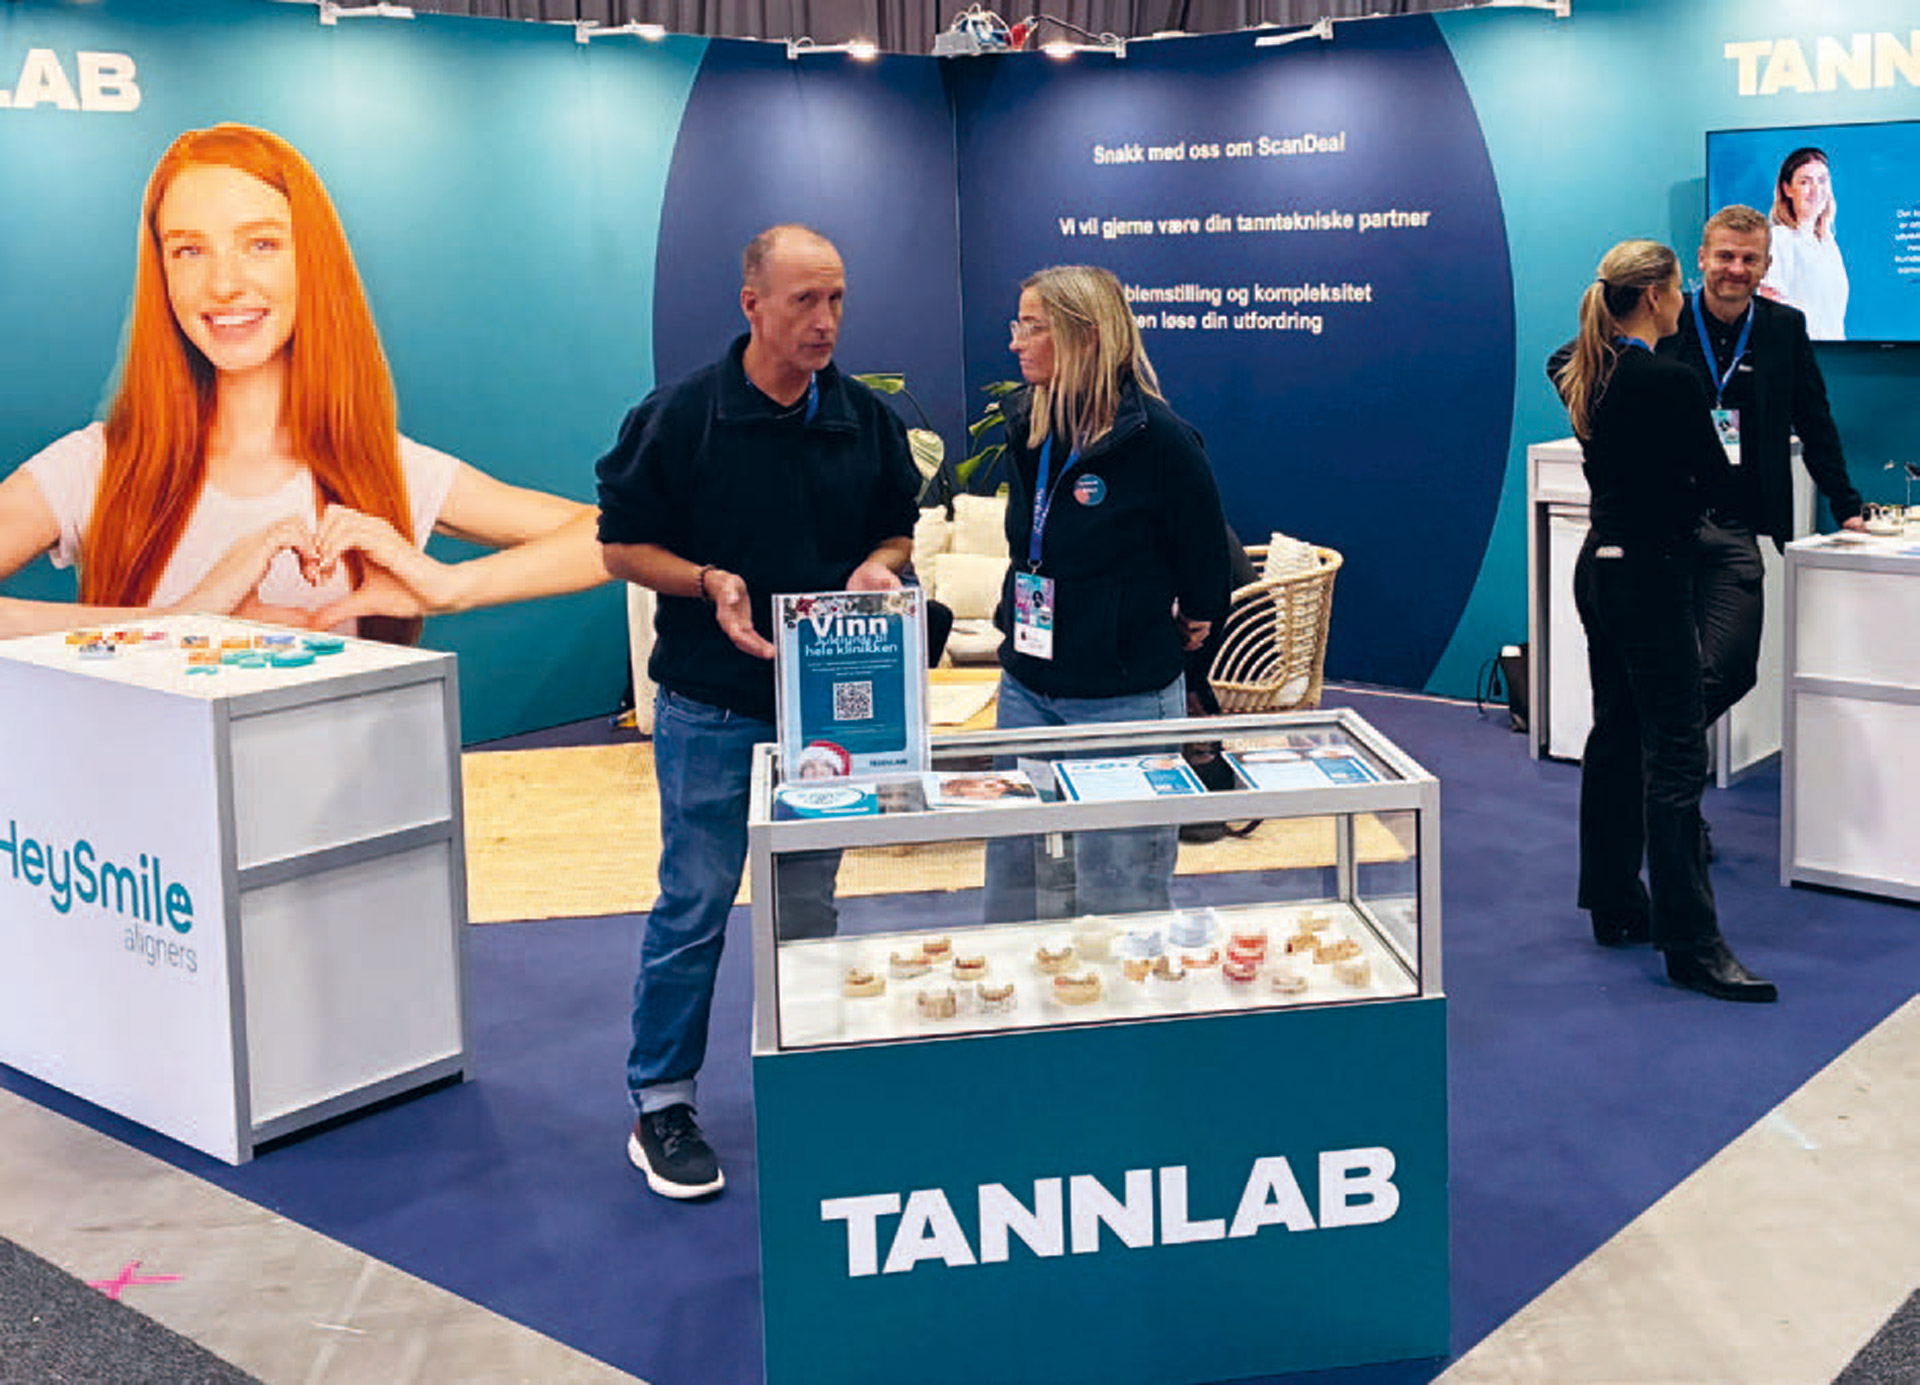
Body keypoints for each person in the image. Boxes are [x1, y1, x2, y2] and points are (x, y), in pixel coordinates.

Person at [595, 224, 920, 1200]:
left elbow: (897, 529)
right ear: (752, 305)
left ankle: (804, 1070)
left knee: (810, 903)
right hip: (711, 705)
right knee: (695, 905)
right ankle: (662, 1103)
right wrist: (708, 580)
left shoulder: (865, 419)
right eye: (803, 300)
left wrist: (879, 567)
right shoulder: (680, 417)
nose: (825, 320)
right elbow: (620, 547)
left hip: (828, 715)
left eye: (837, 299)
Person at [0, 124, 608, 640]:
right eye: (188, 251)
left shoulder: (386, 469)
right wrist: (181, 621)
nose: (224, 284)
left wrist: (451, 587)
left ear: (311, 259)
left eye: (260, 244)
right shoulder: (95, 466)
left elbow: (616, 536)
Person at [1553, 238, 1774, 1002]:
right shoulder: (1668, 381)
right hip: (1652, 574)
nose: (1684, 300)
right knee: (1676, 756)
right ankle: (1691, 943)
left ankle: (1614, 901)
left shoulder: (1585, 369)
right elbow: (1716, 481)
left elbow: (1567, 354)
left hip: (1601, 569)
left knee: (1615, 733)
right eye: (1677, 287)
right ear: (1653, 295)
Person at [982, 264, 1230, 924]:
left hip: (1124, 697)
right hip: (1027, 687)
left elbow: (1207, 568)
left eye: (1032, 327)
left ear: (1086, 336)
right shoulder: (1027, 426)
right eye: (1017, 325)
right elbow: (1029, 547)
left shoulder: (1161, 441)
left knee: (1121, 896)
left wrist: (1189, 620)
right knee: (1019, 884)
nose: (1015, 342)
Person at [1659, 205, 1863, 734]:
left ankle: (1652, 747)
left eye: (1750, 259)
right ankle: (1665, 775)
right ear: (1701, 258)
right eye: (1725, 256)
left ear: (1767, 265)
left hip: (1736, 523)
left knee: (1731, 669)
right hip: (1663, 524)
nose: (1736, 268)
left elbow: (1814, 420)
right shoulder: (1666, 320)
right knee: (1659, 665)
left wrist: (1847, 505)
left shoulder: (1783, 327)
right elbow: (1579, 365)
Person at [1760, 148, 1848, 341]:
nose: (1816, 191)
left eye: (1822, 180)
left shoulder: (1828, 244)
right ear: (1787, 189)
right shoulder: (1781, 238)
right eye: (1805, 182)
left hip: (1833, 352)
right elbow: (1770, 305)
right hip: (1798, 353)